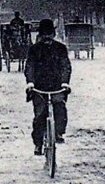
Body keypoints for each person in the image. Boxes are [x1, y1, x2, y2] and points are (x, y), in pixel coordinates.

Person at [25, 19, 71, 155]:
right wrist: (30, 82)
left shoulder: (61, 49)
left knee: (60, 107)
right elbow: (30, 66)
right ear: (40, 35)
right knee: (40, 114)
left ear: (53, 34)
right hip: (39, 87)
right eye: (44, 35)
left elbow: (65, 66)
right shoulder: (34, 49)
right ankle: (38, 144)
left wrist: (65, 82)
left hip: (57, 86)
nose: (47, 38)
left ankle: (58, 133)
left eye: (49, 34)